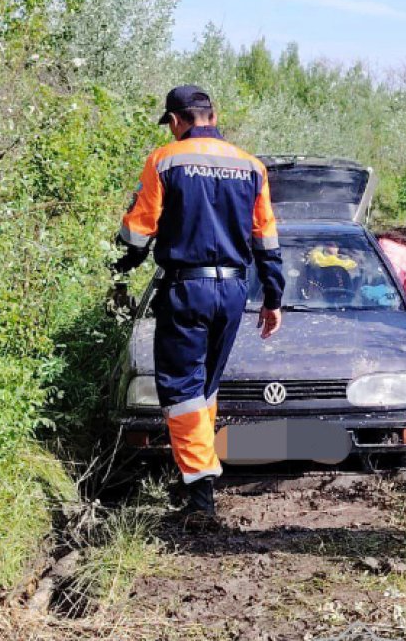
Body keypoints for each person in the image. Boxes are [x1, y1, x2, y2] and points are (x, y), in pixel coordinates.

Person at [112, 84, 285, 526]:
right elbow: (266, 238)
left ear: (175, 121)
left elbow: (138, 232)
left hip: (187, 288)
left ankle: (201, 493)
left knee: (181, 389)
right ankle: (198, 476)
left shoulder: (165, 160)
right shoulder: (251, 166)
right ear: (213, 115)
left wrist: (119, 269)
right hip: (234, 291)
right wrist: (273, 297)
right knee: (205, 386)